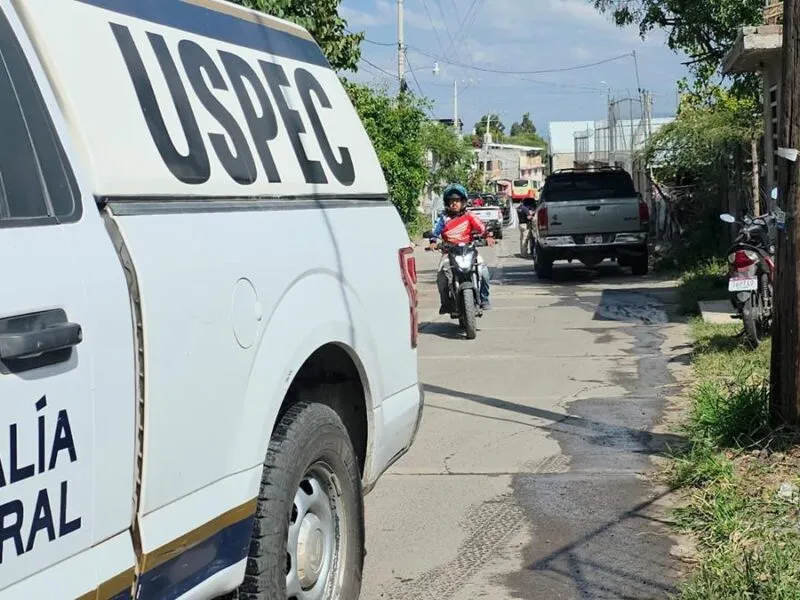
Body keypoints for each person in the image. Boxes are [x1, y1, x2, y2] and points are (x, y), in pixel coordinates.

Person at [429, 183, 495, 313]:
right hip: (449, 253)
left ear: (463, 202)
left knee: (485, 273)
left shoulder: (470, 216)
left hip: (469, 251)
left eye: (457, 200)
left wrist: (487, 236)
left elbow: (481, 228)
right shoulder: (443, 218)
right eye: (451, 200)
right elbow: (434, 231)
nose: (454, 203)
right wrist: (432, 241)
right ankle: (445, 303)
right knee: (441, 277)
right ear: (447, 203)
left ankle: (484, 299)